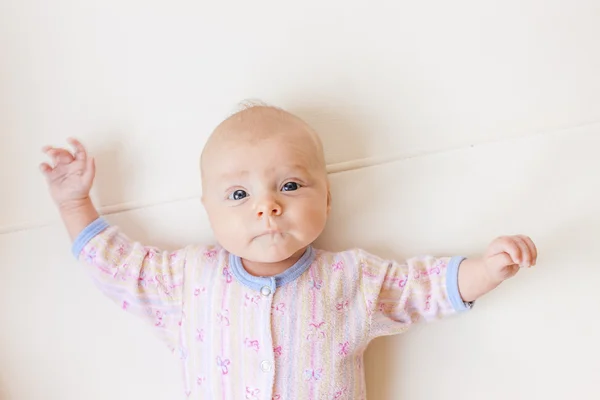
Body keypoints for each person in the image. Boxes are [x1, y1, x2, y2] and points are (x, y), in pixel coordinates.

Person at [40, 104, 538, 399]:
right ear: (208, 211)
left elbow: (420, 289)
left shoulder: (352, 279)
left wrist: (485, 270)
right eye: (239, 195)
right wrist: (75, 202)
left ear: (326, 197)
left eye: (291, 184)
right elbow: (117, 268)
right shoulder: (187, 279)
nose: (267, 207)